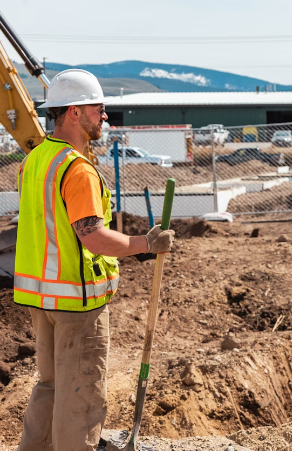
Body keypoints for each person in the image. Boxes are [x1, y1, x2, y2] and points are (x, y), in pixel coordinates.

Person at [14, 69, 175, 451]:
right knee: (82, 395)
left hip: (42, 298)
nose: (104, 116)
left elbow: (58, 231)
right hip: (76, 303)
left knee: (50, 386)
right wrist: (145, 244)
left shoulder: (36, 160)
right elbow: (93, 236)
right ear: (73, 112)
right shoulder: (77, 169)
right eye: (98, 108)